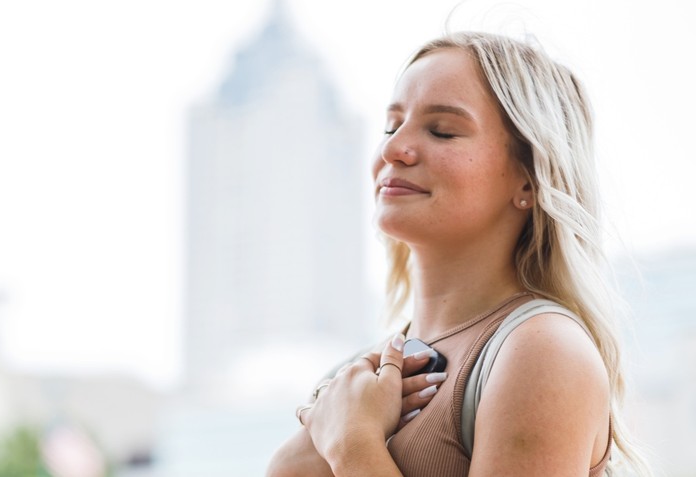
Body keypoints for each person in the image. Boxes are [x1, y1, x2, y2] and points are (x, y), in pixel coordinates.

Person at [266, 31, 650, 476]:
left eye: (442, 131)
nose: (393, 148)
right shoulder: (354, 381)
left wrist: (353, 445)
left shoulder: (543, 352)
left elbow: (350, 446)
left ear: (528, 178)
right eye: (391, 126)